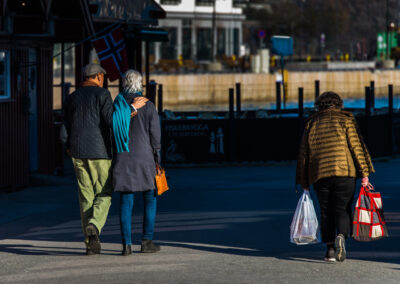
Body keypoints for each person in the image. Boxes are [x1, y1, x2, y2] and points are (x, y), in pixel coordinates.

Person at [63, 64, 147, 255]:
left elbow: (64, 127)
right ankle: (95, 224)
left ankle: (89, 242)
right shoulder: (102, 95)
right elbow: (111, 120)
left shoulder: (71, 98)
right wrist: (132, 109)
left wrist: (67, 147)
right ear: (99, 76)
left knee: (86, 197)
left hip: (77, 152)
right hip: (100, 152)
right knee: (104, 193)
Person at [296, 91, 374, 262]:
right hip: (344, 172)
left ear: (320, 105)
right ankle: (341, 236)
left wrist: (303, 181)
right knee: (343, 208)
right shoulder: (346, 119)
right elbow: (356, 147)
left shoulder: (312, 122)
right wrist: (365, 174)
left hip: (319, 173)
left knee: (325, 211)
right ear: (339, 104)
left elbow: (304, 153)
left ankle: (330, 249)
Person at [112, 70, 161, 256]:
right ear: (140, 84)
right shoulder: (148, 105)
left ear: (124, 83)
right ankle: (147, 241)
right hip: (145, 158)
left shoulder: (117, 102)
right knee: (150, 199)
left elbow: (112, 126)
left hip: (123, 157)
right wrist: (158, 160)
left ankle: (127, 245)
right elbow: (155, 136)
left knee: (126, 201)